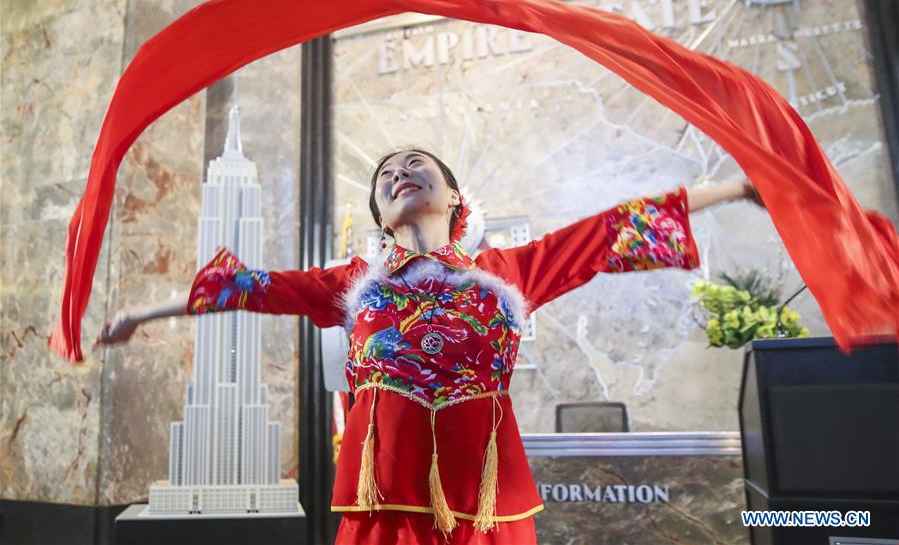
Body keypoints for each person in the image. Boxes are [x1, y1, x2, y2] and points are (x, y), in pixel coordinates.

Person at [96, 147, 764, 544]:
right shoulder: (353, 284)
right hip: (384, 505)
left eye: (416, 165)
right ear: (380, 211)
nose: (400, 173)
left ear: (453, 197)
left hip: (487, 505)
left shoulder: (507, 273)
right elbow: (250, 287)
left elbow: (610, 232)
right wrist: (140, 313)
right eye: (387, 174)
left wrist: (738, 187)